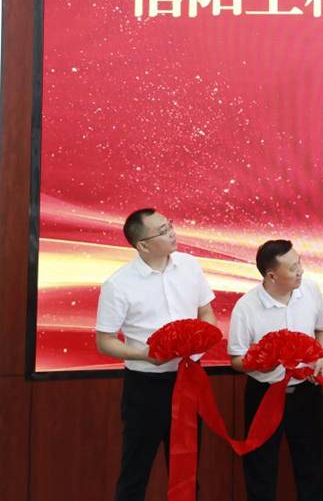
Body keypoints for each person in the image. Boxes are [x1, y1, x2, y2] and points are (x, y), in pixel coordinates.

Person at [94, 208, 217, 501]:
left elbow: (206, 312)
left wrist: (203, 338)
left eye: (169, 225)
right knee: (135, 471)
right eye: (162, 231)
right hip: (146, 386)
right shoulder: (118, 284)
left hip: (188, 379)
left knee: (187, 469)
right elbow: (105, 342)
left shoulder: (190, 265)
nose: (172, 233)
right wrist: (146, 355)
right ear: (143, 246)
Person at [228, 239, 323, 501]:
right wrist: (264, 361)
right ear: (271, 275)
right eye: (293, 268)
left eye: (299, 263)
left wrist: (321, 356)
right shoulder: (246, 306)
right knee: (261, 468)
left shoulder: (310, 290)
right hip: (265, 394)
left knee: (310, 466)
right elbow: (236, 360)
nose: (301, 271)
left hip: (306, 391)